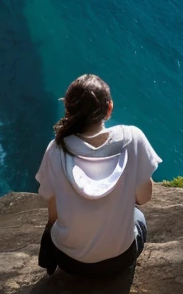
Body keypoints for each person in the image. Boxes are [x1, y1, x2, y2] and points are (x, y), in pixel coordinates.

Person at [35, 73, 161, 278]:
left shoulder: (56, 149)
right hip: (120, 259)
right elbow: (144, 198)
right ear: (109, 108)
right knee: (138, 216)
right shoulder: (133, 138)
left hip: (69, 262)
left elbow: (53, 211)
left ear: (68, 109)